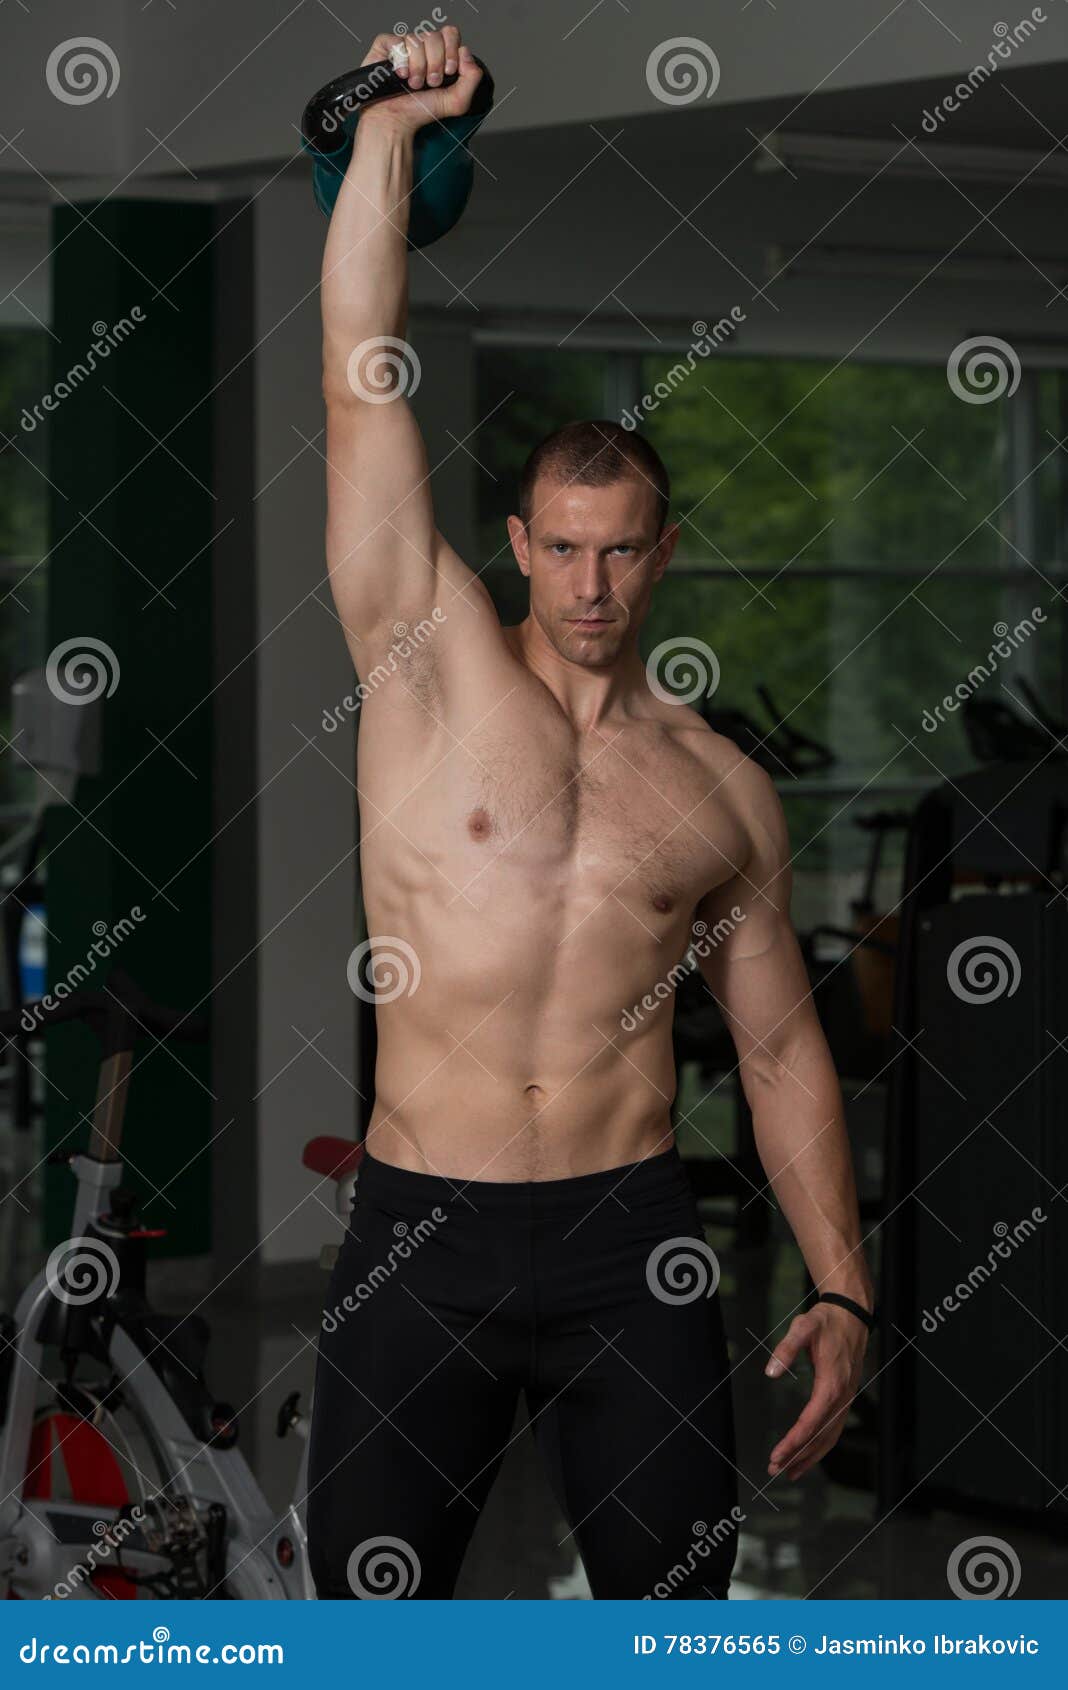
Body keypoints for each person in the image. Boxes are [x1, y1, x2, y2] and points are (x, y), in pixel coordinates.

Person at [305, 24, 872, 1601]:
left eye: (619, 550)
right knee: (373, 1629)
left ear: (662, 553)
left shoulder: (719, 790)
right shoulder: (422, 663)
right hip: (427, 1235)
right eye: (560, 548)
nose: (589, 584)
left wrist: (844, 1284)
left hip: (636, 1244)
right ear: (517, 540)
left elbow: (778, 1050)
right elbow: (361, 373)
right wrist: (386, 133)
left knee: (672, 1630)